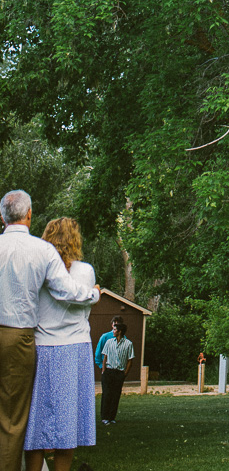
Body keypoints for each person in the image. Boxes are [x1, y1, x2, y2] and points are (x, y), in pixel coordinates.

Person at [0, 190, 100, 471]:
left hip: (35, 342)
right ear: (29, 214)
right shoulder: (42, 253)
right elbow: (66, 291)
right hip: (26, 339)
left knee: (28, 421)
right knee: (18, 419)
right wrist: (94, 294)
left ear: (2, 217)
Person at [23, 217, 98, 471]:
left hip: (42, 347)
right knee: (67, 425)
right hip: (74, 348)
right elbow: (84, 310)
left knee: (36, 425)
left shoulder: (38, 270)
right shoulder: (85, 271)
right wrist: (95, 293)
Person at [100, 317, 134, 423]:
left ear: (119, 331)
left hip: (119, 373)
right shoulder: (109, 342)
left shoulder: (128, 344)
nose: (113, 331)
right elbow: (105, 357)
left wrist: (125, 374)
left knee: (115, 395)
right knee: (106, 394)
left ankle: (112, 417)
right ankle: (104, 417)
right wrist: (103, 370)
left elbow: (130, 360)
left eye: (115, 330)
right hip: (108, 371)